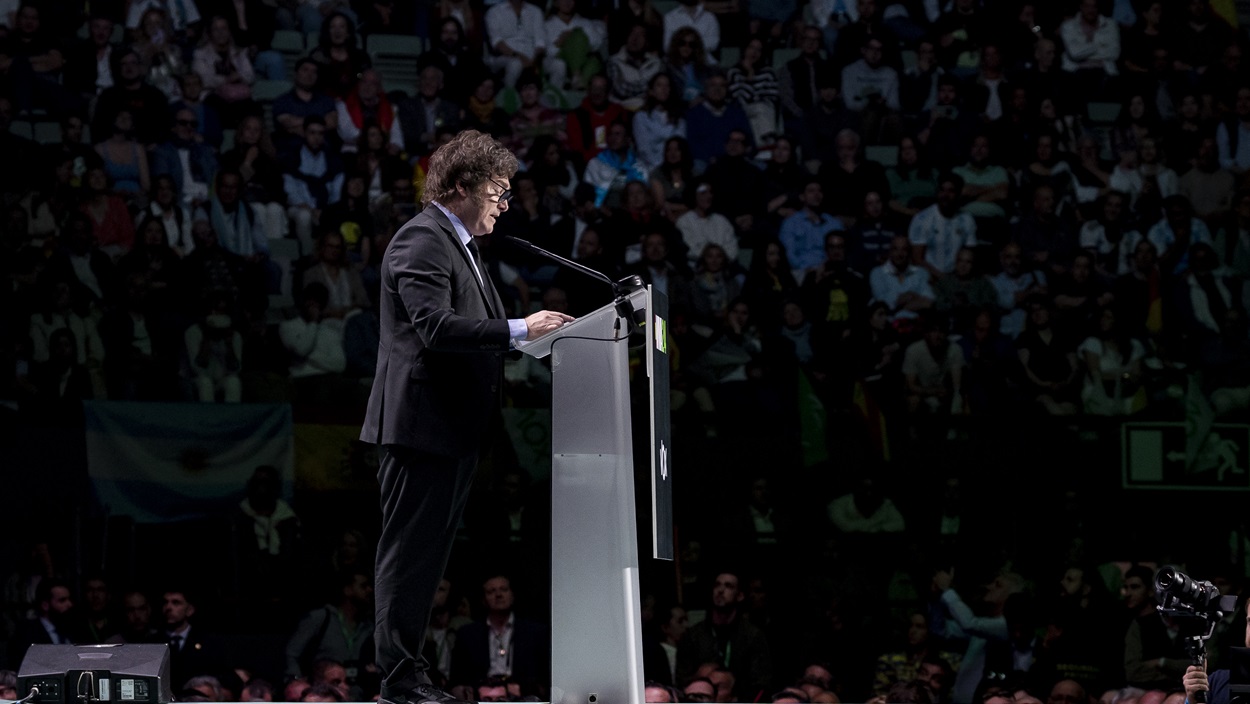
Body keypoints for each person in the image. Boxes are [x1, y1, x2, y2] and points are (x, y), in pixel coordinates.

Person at [359, 130, 573, 704]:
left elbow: (479, 337)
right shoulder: (422, 241)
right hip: (422, 427)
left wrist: (536, 342)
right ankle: (400, 681)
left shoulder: (464, 248)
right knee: (407, 556)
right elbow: (435, 328)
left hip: (453, 430)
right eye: (498, 192)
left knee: (428, 560)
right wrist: (523, 329)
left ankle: (410, 674)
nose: (505, 205)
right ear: (462, 186)